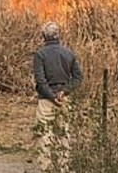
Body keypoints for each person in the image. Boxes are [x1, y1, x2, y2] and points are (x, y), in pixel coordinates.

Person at [33, 21, 82, 172]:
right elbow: (78, 77)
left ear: (44, 36)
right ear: (59, 35)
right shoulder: (69, 53)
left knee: (44, 135)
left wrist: (51, 96)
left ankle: (45, 168)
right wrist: (65, 91)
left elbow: (40, 81)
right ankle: (63, 168)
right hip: (65, 99)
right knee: (64, 135)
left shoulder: (40, 55)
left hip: (46, 100)